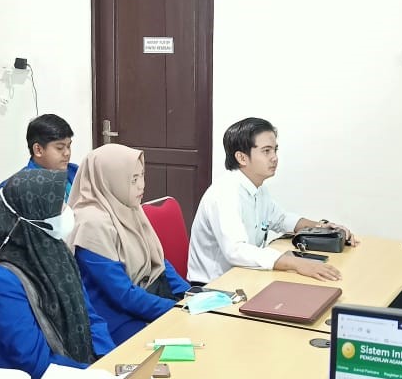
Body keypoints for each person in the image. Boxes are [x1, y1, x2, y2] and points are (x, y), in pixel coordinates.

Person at [0, 167, 114, 379]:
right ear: (34, 212)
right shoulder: (1, 283)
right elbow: (34, 364)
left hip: (84, 372)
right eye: (59, 205)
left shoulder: (56, 251)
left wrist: (108, 360)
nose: (67, 210)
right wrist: (91, 376)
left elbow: (90, 317)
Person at [187, 117, 357, 284]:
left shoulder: (258, 188)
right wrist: (297, 264)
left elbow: (281, 219)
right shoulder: (224, 193)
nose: (274, 157)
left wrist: (322, 228)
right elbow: (236, 250)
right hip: (214, 286)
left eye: (275, 150)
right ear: (242, 157)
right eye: (266, 151)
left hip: (244, 276)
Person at [69, 144, 190, 344]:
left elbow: (158, 261)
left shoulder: (126, 205)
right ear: (108, 180)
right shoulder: (91, 223)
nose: (142, 186)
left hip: (144, 301)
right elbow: (121, 294)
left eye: (142, 176)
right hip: (115, 317)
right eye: (133, 180)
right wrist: (176, 308)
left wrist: (189, 294)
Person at [0, 114, 79, 193]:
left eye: (68, 146)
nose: (67, 153)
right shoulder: (13, 189)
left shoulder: (76, 171)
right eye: (60, 148)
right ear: (38, 150)